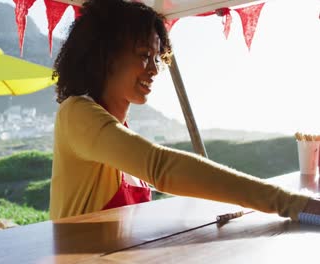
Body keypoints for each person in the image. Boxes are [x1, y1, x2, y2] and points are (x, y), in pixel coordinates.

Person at [49, 0, 320, 221]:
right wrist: (292, 203)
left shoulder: (114, 127)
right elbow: (160, 167)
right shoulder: (77, 113)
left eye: (157, 58)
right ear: (104, 54)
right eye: (144, 55)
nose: (155, 69)